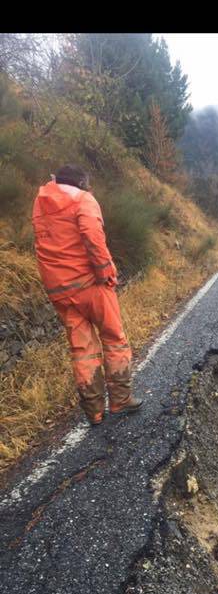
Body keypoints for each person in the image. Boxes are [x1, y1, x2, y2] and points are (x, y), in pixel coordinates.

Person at [31, 165, 142, 426]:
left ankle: (94, 411)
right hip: (90, 284)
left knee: (82, 350)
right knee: (114, 338)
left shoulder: (40, 203)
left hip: (59, 288)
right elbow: (93, 238)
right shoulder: (83, 200)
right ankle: (120, 400)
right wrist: (107, 272)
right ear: (82, 183)